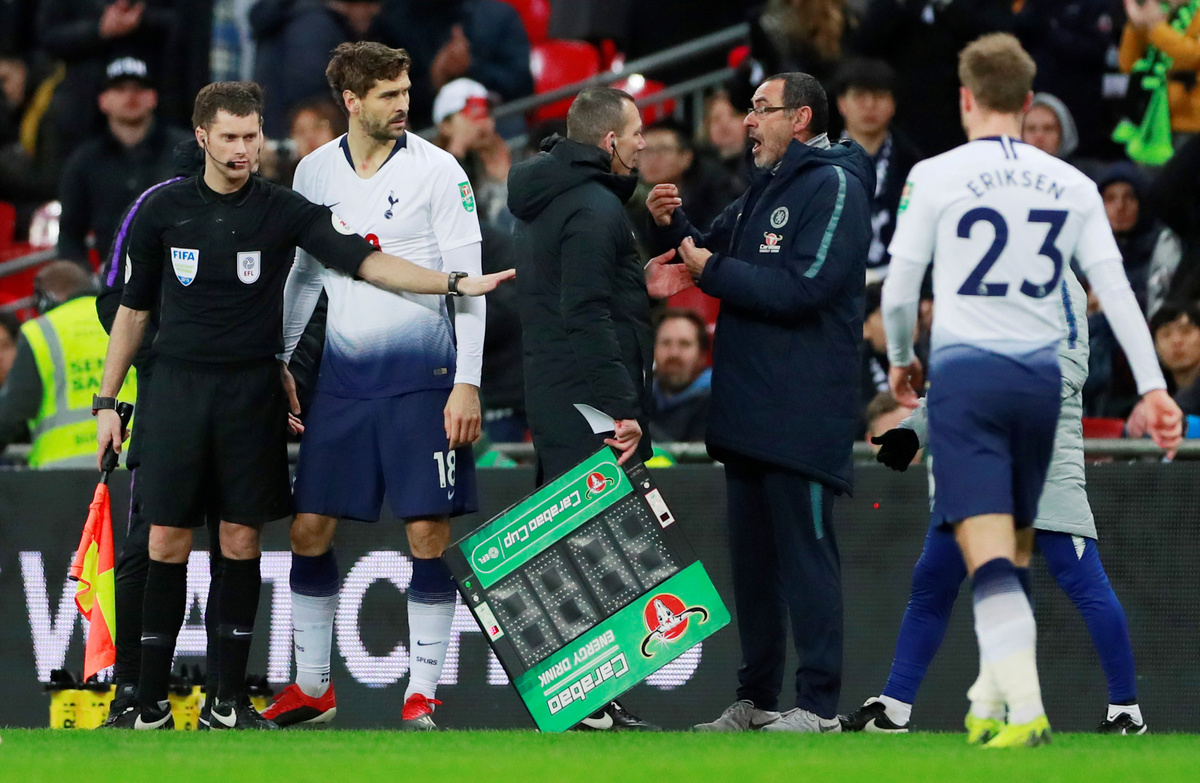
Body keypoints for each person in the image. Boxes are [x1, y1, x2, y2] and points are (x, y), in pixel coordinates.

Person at [93, 80, 511, 731]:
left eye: (252, 135)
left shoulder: (283, 209)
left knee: (240, 539)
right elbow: (131, 311)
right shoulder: (163, 210)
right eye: (229, 137)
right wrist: (107, 399)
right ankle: (146, 704)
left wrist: (453, 282)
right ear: (202, 137)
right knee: (166, 539)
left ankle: (227, 703)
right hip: (175, 392)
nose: (243, 149)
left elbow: (365, 262)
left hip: (249, 396)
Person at [882, 33, 1180, 748]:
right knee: (991, 554)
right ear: (1027, 101)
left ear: (965, 98)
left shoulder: (935, 174)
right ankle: (967, 702)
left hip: (971, 381)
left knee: (997, 553)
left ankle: (1028, 707)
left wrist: (898, 359)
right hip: (1038, 387)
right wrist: (1153, 388)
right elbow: (1119, 293)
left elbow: (899, 290)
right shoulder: (1071, 185)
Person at [263, 41, 487, 731]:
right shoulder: (314, 170)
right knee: (308, 527)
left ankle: (421, 694)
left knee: (426, 530)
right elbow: (303, 277)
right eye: (389, 94)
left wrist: (468, 383)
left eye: (406, 91)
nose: (403, 104)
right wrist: (281, 358)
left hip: (425, 380)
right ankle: (312, 688)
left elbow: (470, 287)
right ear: (352, 101)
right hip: (343, 381)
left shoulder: (440, 171)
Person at [647, 71, 873, 733]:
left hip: (802, 411)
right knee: (753, 569)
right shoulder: (765, 189)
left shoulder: (835, 185)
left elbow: (806, 286)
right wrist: (675, 225)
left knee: (806, 561)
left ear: (800, 118)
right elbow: (710, 247)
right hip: (748, 409)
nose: (749, 120)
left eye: (761, 109)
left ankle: (818, 707)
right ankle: (758, 700)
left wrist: (709, 270)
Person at [848, 266, 1150, 738]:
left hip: (1042, 466)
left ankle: (1126, 710)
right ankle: (894, 708)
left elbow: (1071, 367)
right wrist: (913, 431)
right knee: (933, 581)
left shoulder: (1058, 278)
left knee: (1083, 581)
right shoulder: (972, 277)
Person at [507, 86, 657, 732]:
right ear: (610, 141)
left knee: (577, 543)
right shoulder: (595, 207)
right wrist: (622, 407)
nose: (645, 143)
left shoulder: (551, 197)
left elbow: (581, 291)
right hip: (588, 399)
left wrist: (643, 282)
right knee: (592, 548)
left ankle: (591, 698)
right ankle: (584, 700)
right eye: (638, 132)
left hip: (555, 386)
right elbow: (587, 311)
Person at [57, 57, 192, 269]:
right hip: (111, 279)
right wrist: (84, 279)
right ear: (103, 100)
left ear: (153, 97)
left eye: (139, 88)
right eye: (120, 89)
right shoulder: (84, 161)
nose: (130, 96)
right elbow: (69, 235)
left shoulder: (187, 152)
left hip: (181, 273)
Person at [0, 261, 136, 466]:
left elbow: (14, 412)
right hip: (131, 463)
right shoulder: (128, 320)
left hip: (62, 471)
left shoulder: (39, 332)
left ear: (44, 299)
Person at [374, 0, 533, 128]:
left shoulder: (498, 16)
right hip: (427, 129)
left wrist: (472, 68)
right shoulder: (392, 23)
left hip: (496, 120)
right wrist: (434, 80)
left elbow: (523, 84)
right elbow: (382, 100)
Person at [835, 58, 923, 282]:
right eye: (859, 96)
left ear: (894, 104)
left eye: (880, 96)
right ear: (842, 103)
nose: (869, 105)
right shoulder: (817, 163)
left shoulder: (916, 166)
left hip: (899, 279)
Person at [649, 307, 711, 442]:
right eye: (666, 343)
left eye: (684, 344)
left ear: (702, 355)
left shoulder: (719, 403)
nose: (674, 353)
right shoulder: (638, 396)